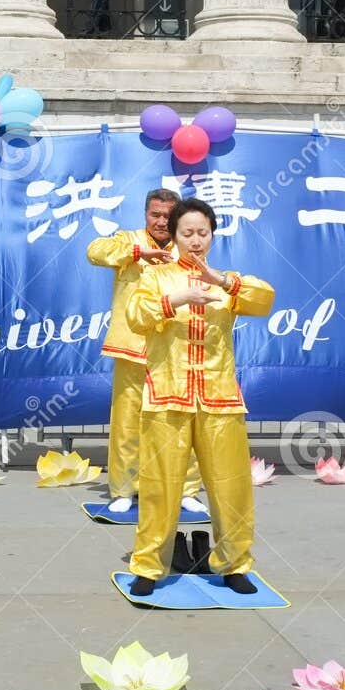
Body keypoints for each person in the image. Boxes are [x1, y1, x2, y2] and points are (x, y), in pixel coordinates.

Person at [125, 198, 274, 596]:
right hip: (167, 395)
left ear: (212, 234)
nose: (195, 240)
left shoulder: (227, 281)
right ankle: (148, 565)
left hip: (219, 397)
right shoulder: (157, 277)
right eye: (187, 232)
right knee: (160, 485)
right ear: (173, 235)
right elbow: (136, 316)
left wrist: (222, 281)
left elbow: (265, 298)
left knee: (231, 486)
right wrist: (178, 299)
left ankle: (234, 563)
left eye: (202, 232)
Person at [86, 187, 204, 520]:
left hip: (176, 349)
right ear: (146, 214)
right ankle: (124, 489)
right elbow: (95, 251)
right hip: (132, 346)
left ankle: (187, 489)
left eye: (168, 215)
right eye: (156, 214)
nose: (162, 221)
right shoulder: (129, 240)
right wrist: (138, 253)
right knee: (127, 421)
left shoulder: (189, 246)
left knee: (182, 421)